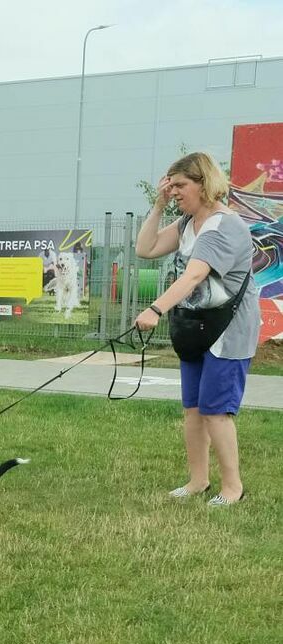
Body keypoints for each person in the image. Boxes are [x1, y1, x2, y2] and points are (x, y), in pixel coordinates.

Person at [134, 152, 260, 506]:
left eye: (180, 185)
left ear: (204, 184)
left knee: (216, 410)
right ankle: (197, 481)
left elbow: (195, 274)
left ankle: (232, 488)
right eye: (170, 185)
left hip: (228, 330)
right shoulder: (187, 223)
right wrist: (158, 207)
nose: (173, 191)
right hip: (197, 328)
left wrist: (156, 308)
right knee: (193, 407)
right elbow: (146, 249)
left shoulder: (224, 225)